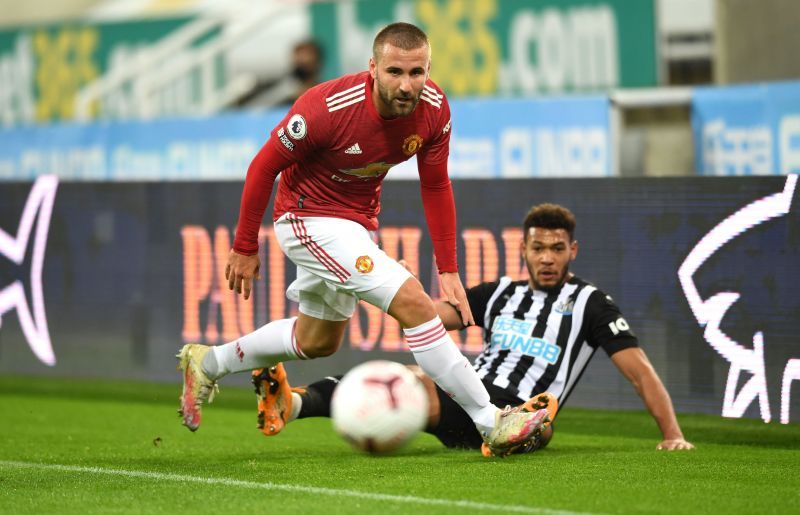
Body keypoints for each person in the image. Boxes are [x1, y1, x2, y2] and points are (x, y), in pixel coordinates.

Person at [177, 22, 549, 457]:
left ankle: (208, 363)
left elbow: (435, 186)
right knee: (414, 303)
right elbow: (263, 167)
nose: (407, 84)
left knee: (318, 341)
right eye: (395, 72)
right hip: (305, 217)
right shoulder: (325, 108)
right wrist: (244, 245)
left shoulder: (434, 109)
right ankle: (491, 421)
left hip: (353, 224)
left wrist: (448, 268)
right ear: (372, 67)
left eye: (418, 72)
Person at [254, 204, 695, 455]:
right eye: (538, 248)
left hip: (511, 404)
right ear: (522, 248)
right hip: (472, 391)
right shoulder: (498, 293)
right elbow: (428, 314)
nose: (546, 258)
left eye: (557, 249)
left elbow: (639, 372)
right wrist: (394, 281)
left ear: (572, 250)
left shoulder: (592, 305)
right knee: (403, 373)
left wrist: (672, 434)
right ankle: (289, 404)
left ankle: (525, 427)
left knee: (409, 386)